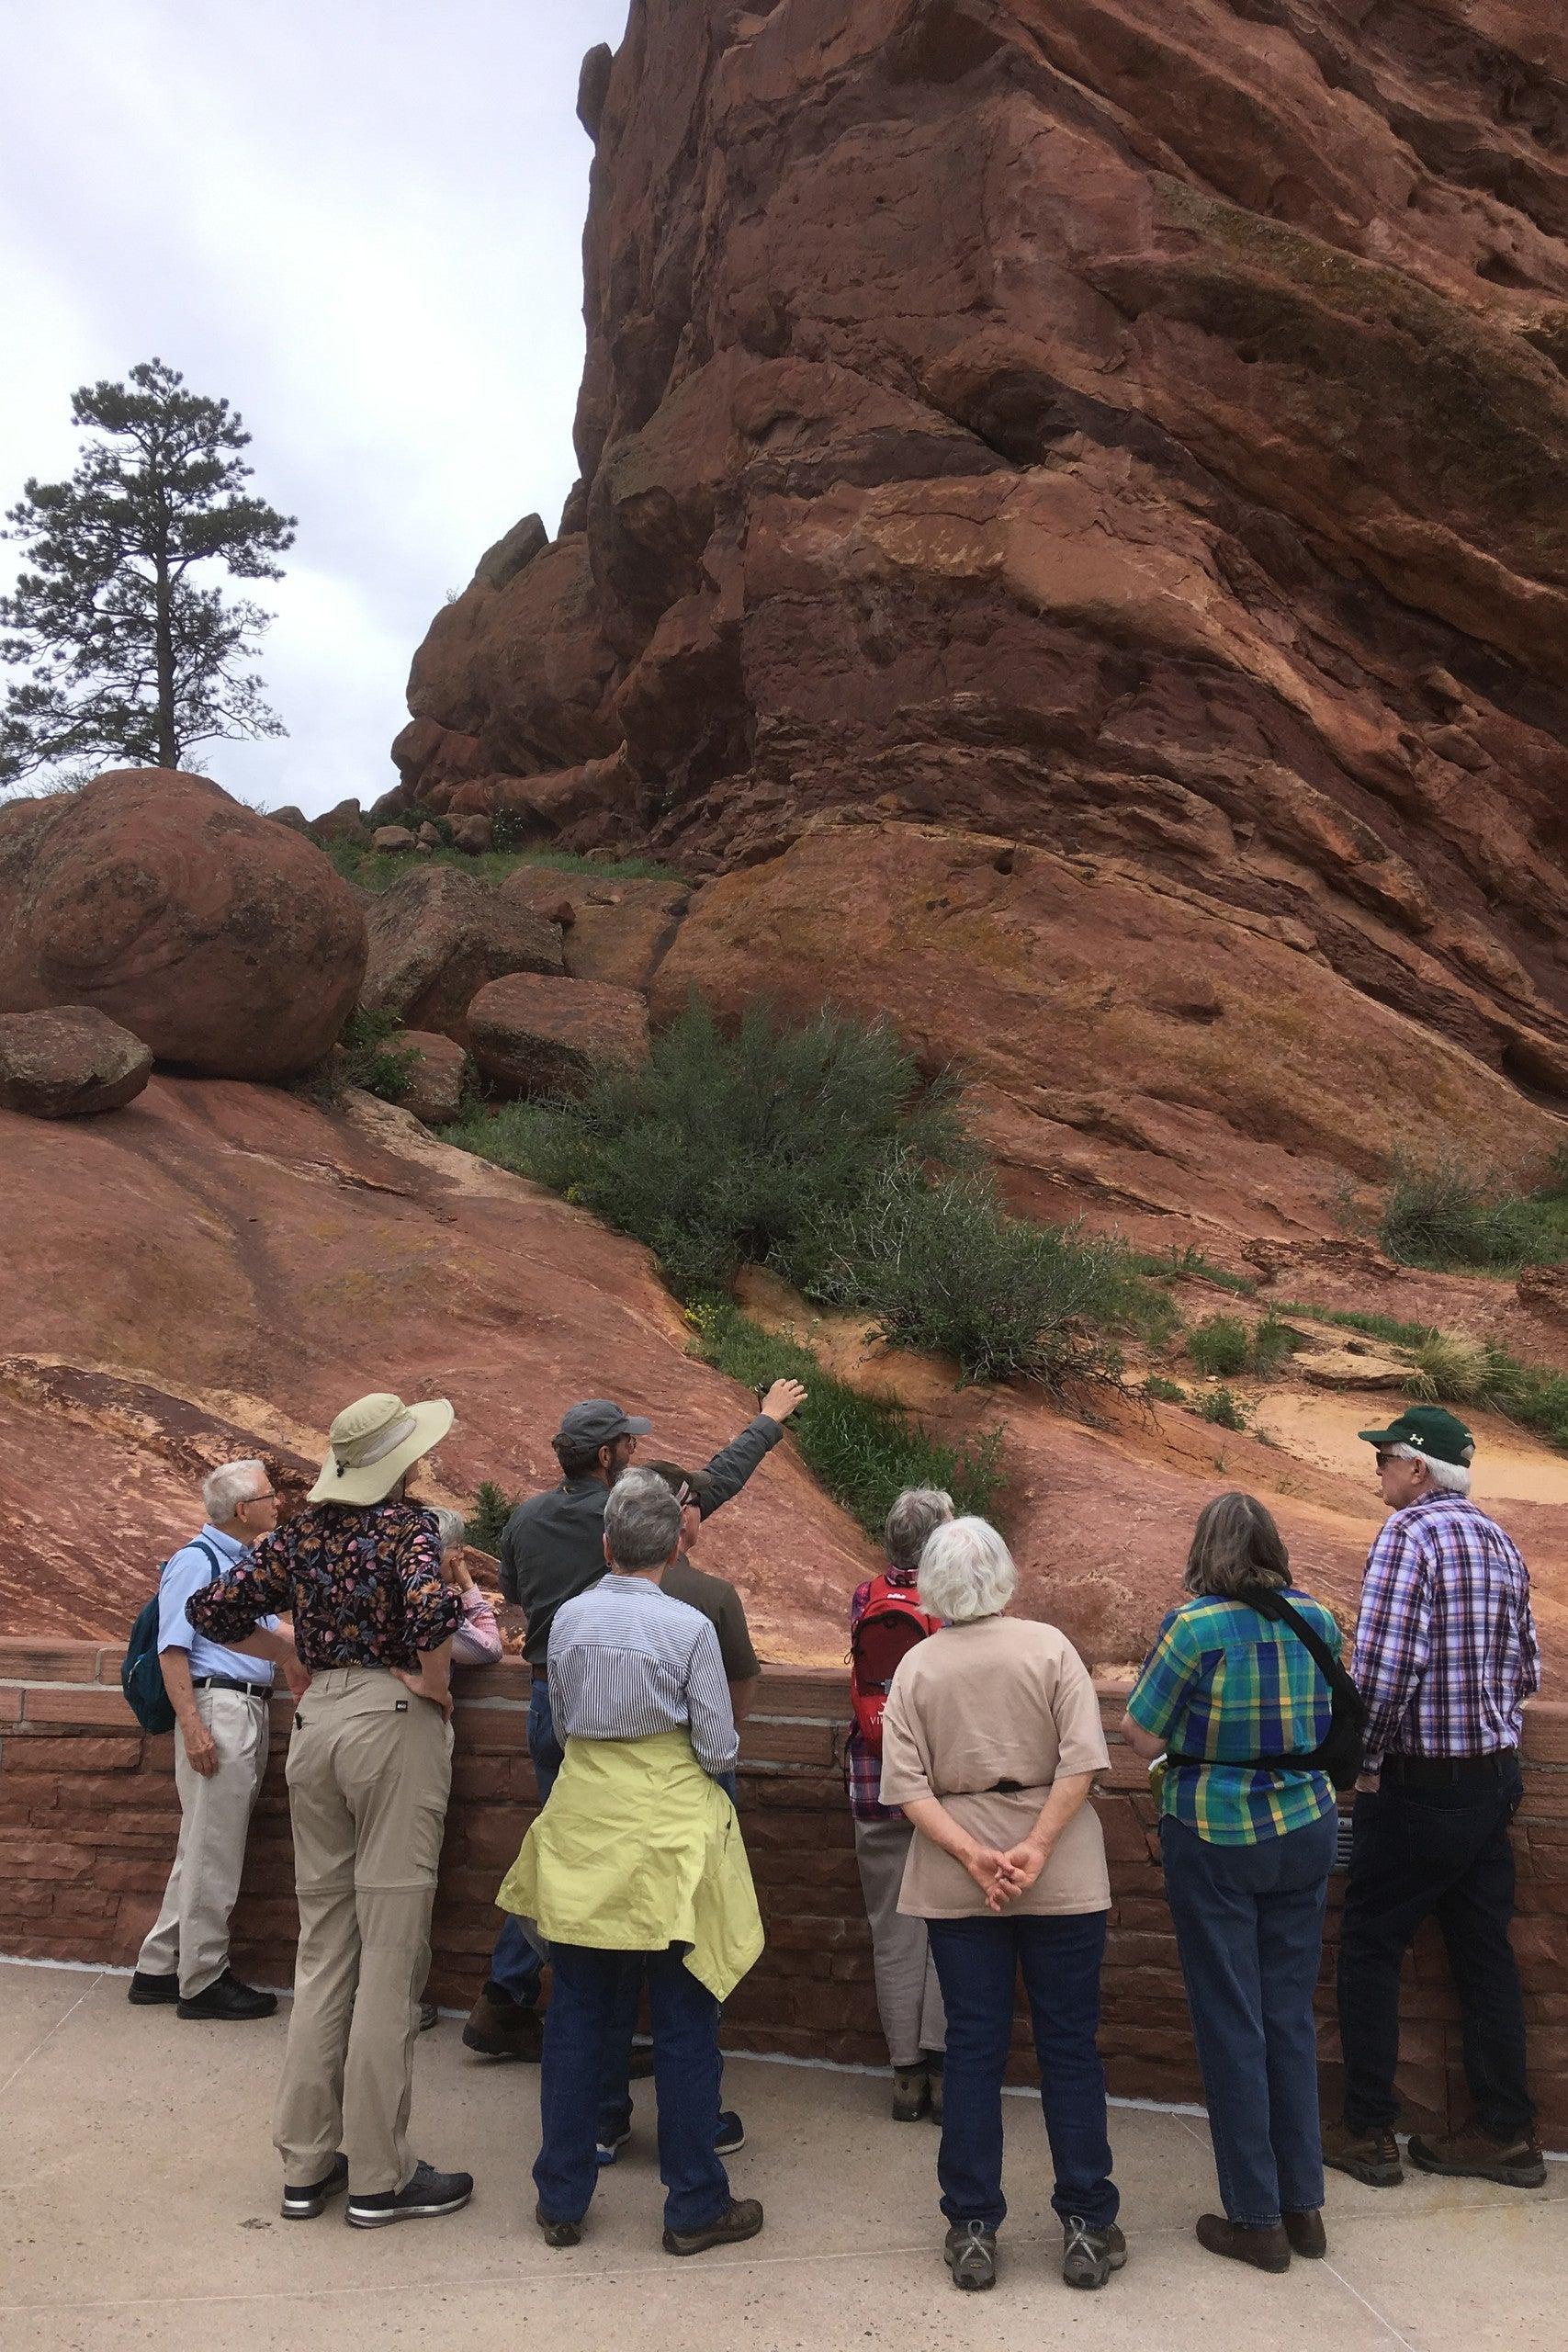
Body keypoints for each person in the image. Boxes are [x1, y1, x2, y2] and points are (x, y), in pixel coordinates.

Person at [187, 1390, 473, 2230]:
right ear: (401, 1461)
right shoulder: (407, 1530)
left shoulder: (298, 1532)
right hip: (390, 1723)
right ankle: (382, 2176)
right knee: (390, 1953)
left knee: (325, 1950)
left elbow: (216, 1612)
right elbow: (430, 1608)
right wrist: (434, 1680)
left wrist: (294, 1652)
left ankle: (307, 2165)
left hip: (317, 1730)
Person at [463, 1382, 806, 2062]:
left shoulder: (526, 1519)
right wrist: (768, 1421)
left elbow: (513, 1589)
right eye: (627, 1442)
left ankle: (507, 1996)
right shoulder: (634, 1513)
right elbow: (715, 1481)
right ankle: (616, 2031)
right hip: (639, 1726)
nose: (635, 1448)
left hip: (553, 1701)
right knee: (626, 1872)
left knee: (560, 1855)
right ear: (605, 1456)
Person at [500, 1471, 765, 2257]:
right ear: (674, 1543)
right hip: (669, 1835)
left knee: (578, 2014)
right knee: (685, 2022)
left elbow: (564, 1720)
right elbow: (718, 1746)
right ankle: (692, 2204)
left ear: (607, 1544)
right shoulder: (687, 1628)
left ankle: (561, 2198)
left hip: (584, 1821)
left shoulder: (567, 1621)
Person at [877, 1517, 1122, 2296]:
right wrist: (1038, 1848)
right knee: (1069, 2047)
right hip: (1059, 1871)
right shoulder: (1050, 1649)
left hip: (960, 1876)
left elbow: (906, 1788)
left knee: (975, 2048)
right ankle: (1086, 2218)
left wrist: (970, 1854)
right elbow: (1083, 1758)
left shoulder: (916, 1667)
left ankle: (972, 2224)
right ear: (1005, 1575)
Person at [1323, 1407, 1544, 2191]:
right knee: (1482, 1953)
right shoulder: (1498, 1540)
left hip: (1421, 1786)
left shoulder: (1406, 1537)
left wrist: (1366, 1760)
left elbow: (1383, 1672)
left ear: (1417, 1469)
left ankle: (1367, 2131)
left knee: (1371, 1946)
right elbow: (1527, 1671)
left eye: (1383, 1457)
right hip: (1492, 1778)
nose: (1375, 1469)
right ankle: (1503, 2133)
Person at [1121, 1493, 1342, 2273]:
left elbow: (1139, 1731)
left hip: (1215, 1829)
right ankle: (1302, 2205)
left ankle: (1254, 2217)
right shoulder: (1315, 1617)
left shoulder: (1194, 1627)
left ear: (1202, 1548)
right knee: (1287, 2015)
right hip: (1305, 1825)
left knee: (1231, 2020)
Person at [128, 1459, 288, 2021]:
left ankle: (158, 1967)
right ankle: (203, 1980)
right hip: (219, 1708)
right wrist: (194, 1727)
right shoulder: (197, 1564)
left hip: (231, 1705)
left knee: (199, 1846)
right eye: (271, 1496)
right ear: (244, 1510)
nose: (279, 1503)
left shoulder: (233, 1562)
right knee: (214, 1849)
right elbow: (173, 1649)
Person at [845, 1487, 950, 2121]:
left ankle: (904, 2074)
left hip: (874, 1780)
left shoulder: (866, 1598)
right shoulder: (955, 1600)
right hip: (944, 1795)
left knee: (893, 1932)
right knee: (949, 1933)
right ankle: (942, 2067)